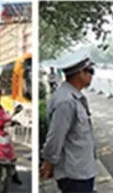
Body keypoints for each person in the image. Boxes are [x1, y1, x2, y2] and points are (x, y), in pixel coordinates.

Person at [40, 53, 98, 192]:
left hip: (82, 168)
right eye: (90, 71)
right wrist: (49, 163)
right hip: (74, 174)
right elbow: (56, 137)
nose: (92, 75)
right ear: (80, 74)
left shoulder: (74, 97)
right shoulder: (66, 101)